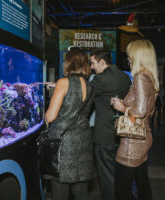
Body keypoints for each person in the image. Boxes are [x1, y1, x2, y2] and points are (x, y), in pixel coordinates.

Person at [110, 39, 159, 200]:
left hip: (132, 142)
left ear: (138, 56)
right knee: (143, 184)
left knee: (121, 191)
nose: (128, 58)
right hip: (144, 136)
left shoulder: (140, 77)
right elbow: (147, 108)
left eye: (130, 55)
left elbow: (141, 110)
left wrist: (123, 108)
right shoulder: (150, 77)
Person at [45, 47, 94, 200]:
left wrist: (53, 92)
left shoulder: (63, 82)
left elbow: (50, 117)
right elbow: (75, 103)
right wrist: (57, 88)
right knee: (81, 192)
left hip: (64, 146)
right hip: (83, 142)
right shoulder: (90, 85)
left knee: (60, 193)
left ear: (68, 64)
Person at [90, 49, 131, 200]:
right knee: (118, 172)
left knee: (106, 177)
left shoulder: (99, 80)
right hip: (121, 133)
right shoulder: (125, 78)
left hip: (104, 135)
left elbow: (83, 94)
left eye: (93, 63)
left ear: (102, 62)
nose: (91, 67)